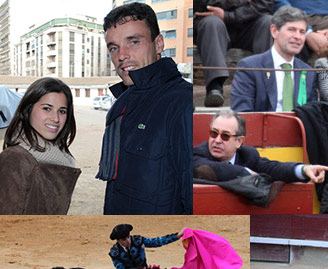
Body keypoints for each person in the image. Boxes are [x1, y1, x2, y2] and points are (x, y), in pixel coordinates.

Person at [97, 2, 192, 215]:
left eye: (133, 42)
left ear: (158, 44)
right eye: (113, 47)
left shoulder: (183, 102)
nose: (121, 55)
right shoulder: (125, 101)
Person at [194, 110, 328, 205]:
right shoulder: (196, 154)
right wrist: (246, 174)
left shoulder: (248, 155)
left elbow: (273, 167)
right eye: (213, 133)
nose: (217, 140)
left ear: (239, 142)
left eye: (225, 136)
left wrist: (303, 169)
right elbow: (209, 168)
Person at [0, 77, 80, 215]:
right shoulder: (14, 158)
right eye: (47, 108)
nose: (55, 118)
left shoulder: (59, 157)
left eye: (62, 111)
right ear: (28, 109)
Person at [230, 7, 318, 112]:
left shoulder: (308, 73)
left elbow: (313, 115)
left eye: (302, 32)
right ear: (274, 31)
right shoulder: (250, 67)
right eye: (291, 30)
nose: (297, 36)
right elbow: (243, 113)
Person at [195, 0, 273, 108]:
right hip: (213, 22)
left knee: (268, 22)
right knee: (211, 23)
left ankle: (266, 87)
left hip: (248, 23)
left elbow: (265, 4)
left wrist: (228, 15)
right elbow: (205, 5)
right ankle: (214, 88)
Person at [108, 225, 182, 269]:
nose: (128, 241)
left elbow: (157, 241)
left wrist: (177, 236)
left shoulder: (138, 240)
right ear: (118, 240)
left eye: (128, 237)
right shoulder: (114, 253)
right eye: (124, 239)